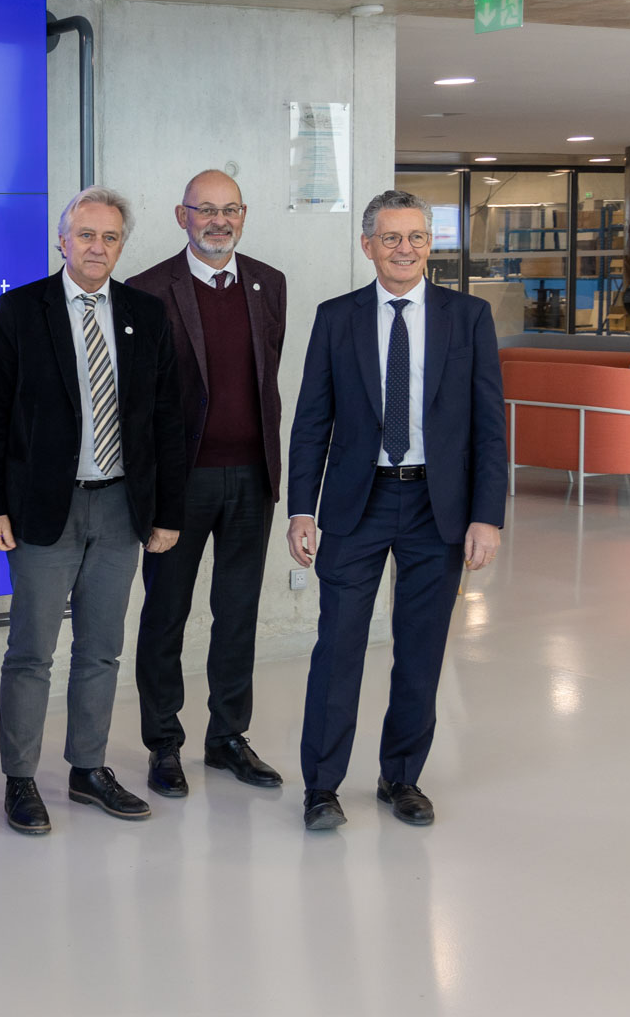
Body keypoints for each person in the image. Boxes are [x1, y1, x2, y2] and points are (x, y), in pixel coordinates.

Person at [288, 189, 505, 831]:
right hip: (358, 503)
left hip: (439, 507)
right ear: (368, 245)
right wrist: (302, 509)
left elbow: (489, 425)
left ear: (430, 243)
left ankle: (401, 777)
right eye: (390, 238)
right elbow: (311, 421)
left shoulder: (469, 317)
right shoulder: (337, 317)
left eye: (415, 237)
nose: (404, 249)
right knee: (338, 649)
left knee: (420, 650)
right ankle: (321, 788)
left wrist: (487, 515)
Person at [0, 186, 185, 830]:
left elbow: (167, 418)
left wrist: (167, 512)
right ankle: (20, 779)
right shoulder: (21, 309)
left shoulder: (146, 313)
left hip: (121, 506)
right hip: (44, 509)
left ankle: (88, 769)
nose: (97, 248)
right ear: (62, 241)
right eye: (86, 235)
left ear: (122, 245)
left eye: (110, 237)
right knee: (31, 652)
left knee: (102, 649)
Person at [127, 169, 287, 798]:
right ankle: (163, 743)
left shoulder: (269, 283)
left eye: (231, 210)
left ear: (243, 215)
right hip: (179, 483)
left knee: (238, 613)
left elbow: (266, 376)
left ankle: (227, 738)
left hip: (252, 477)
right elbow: (140, 403)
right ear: (182, 216)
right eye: (206, 210)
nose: (219, 221)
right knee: (166, 614)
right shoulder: (147, 290)